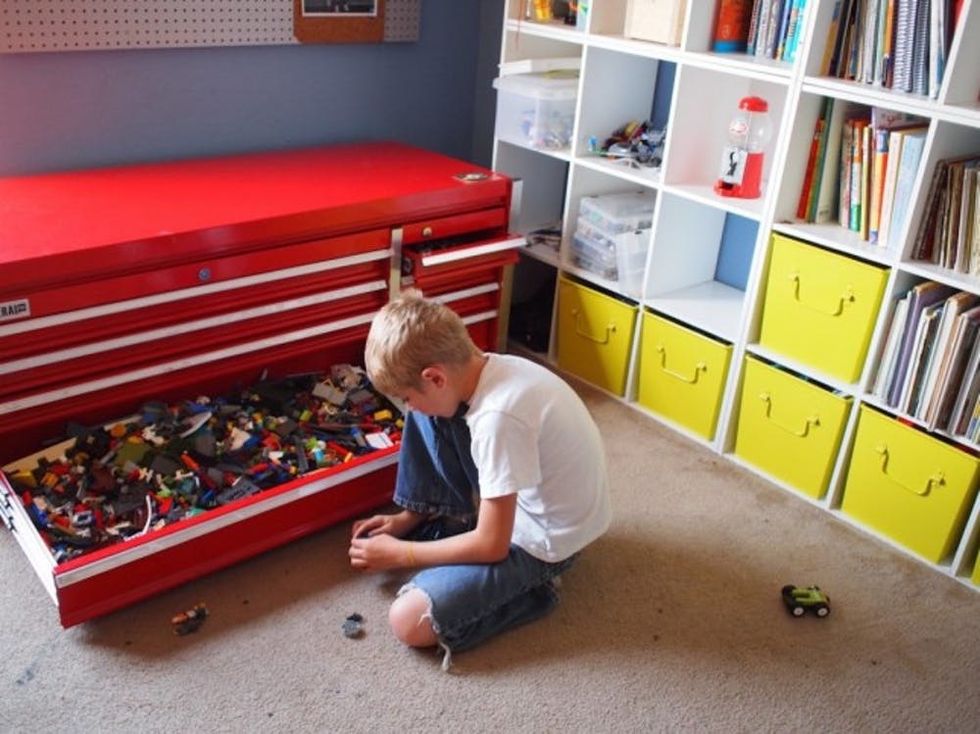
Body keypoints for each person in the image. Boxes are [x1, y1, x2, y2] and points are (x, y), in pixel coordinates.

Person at [348, 290, 611, 669]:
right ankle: (428, 515)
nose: (407, 406)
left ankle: (535, 591)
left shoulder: (498, 421)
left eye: (406, 396)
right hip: (528, 500)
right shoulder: (484, 369)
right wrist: (405, 521)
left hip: (545, 544)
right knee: (430, 412)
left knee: (408, 622)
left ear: (434, 376)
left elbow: (492, 546)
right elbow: (431, 406)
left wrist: (402, 554)